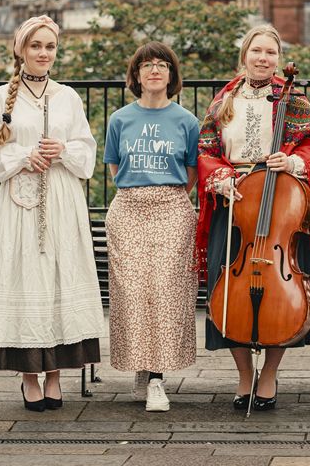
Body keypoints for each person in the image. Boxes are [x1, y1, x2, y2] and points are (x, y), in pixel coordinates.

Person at [196, 25, 310, 412]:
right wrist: (222, 179)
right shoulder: (223, 100)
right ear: (245, 55)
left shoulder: (295, 100)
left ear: (278, 58)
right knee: (226, 288)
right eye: (256, 51)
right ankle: (243, 375)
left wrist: (291, 161)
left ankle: (270, 373)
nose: (263, 58)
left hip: (280, 207)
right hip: (236, 203)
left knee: (282, 289)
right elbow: (206, 150)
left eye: (270, 53)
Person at [0, 15, 105, 412]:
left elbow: (87, 149)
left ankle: (57, 376)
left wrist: (62, 150)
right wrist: (23, 155)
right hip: (20, 202)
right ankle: (30, 376)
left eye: (49, 46)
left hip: (62, 199)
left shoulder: (67, 97)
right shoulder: (1, 98)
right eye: (36, 46)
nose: (43, 53)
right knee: (27, 276)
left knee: (60, 277)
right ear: (21, 50)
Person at [103, 42, 200, 412]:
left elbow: (191, 172)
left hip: (172, 208)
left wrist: (165, 196)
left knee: (165, 291)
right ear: (136, 75)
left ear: (172, 75)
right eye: (147, 65)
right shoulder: (120, 120)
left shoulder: (186, 121)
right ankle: (141, 367)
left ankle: (158, 377)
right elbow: (115, 168)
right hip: (128, 208)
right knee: (132, 292)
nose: (155, 70)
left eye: (162, 65)